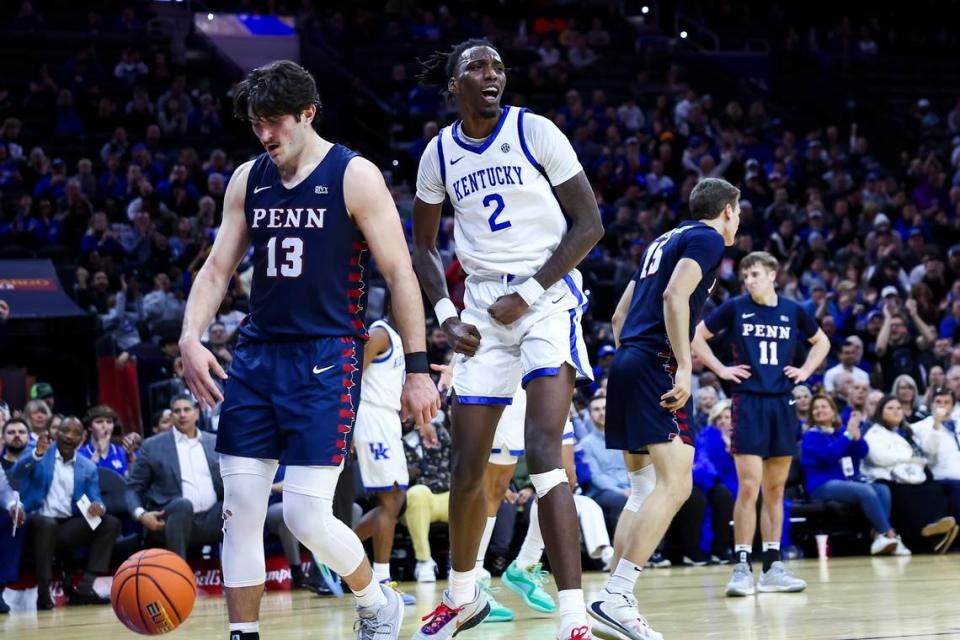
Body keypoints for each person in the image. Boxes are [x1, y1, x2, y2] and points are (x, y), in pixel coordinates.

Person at [177, 60, 439, 640]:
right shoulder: (248, 178)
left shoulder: (355, 175)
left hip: (327, 355)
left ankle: (376, 601)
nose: (266, 134)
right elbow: (219, 266)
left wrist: (417, 371)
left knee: (304, 514)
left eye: (276, 122)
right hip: (258, 352)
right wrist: (190, 336)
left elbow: (399, 274)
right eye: (256, 124)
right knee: (239, 507)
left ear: (308, 114)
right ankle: (243, 635)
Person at [411, 39, 603, 640]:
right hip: (482, 313)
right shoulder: (438, 153)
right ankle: (463, 597)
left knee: (545, 451)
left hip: (546, 300)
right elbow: (421, 246)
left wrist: (532, 291)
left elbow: (590, 224)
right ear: (454, 85)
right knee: (468, 467)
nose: (491, 74)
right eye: (477, 67)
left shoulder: (535, 131)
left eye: (497, 66)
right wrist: (445, 314)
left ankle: (573, 612)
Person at [589, 177, 741, 640]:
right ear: (729, 210)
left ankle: (613, 598)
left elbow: (619, 315)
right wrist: (680, 366)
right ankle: (617, 595)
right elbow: (676, 296)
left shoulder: (663, 239)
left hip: (628, 360)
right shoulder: (708, 237)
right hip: (656, 363)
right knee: (676, 485)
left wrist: (634, 360)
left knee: (642, 489)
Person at [692, 250, 830, 597]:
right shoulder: (736, 307)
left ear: (772, 274)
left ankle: (772, 566)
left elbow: (822, 342)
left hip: (782, 405)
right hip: (748, 403)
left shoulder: (793, 310)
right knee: (749, 487)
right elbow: (696, 336)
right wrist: (721, 370)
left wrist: (805, 373)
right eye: (745, 277)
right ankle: (741, 567)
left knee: (775, 491)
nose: (749, 281)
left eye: (755, 274)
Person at [353, 311, 427, 604]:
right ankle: (382, 579)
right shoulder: (380, 333)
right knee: (388, 498)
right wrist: (346, 426)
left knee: (396, 498)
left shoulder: (398, 339)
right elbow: (353, 374)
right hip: (371, 418)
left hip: (387, 419)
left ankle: (335, 554)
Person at [12, 418, 120, 608]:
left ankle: (86, 587)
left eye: (75, 433)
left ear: (82, 437)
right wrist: (37, 454)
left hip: (66, 525)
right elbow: (16, 473)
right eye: (65, 431)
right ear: (56, 433)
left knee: (109, 523)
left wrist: (98, 507)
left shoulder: (87, 467)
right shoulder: (38, 452)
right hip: (34, 522)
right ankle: (43, 592)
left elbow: (96, 498)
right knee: (47, 524)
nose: (69, 436)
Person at [800, 394, 908, 556]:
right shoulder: (810, 436)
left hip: (846, 482)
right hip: (821, 485)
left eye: (824, 407)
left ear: (833, 411)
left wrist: (857, 438)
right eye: (815, 408)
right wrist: (848, 436)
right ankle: (889, 534)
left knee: (882, 489)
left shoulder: (842, 432)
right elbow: (830, 455)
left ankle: (879, 536)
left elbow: (862, 453)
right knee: (864, 491)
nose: (819, 410)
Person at [126, 394, 224, 559]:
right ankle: (177, 579)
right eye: (177, 411)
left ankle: (243, 577)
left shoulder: (214, 442)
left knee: (236, 505)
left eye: (187, 409)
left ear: (197, 413)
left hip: (211, 520)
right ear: (171, 417)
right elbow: (133, 488)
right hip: (170, 522)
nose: (182, 414)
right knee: (182, 505)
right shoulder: (153, 445)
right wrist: (141, 515)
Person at [861, 395, 958, 553]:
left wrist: (936, 426)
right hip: (888, 478)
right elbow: (877, 457)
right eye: (890, 408)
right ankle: (923, 537)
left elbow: (929, 451)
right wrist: (909, 459)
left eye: (898, 408)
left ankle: (935, 530)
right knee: (909, 493)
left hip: (913, 476)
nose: (896, 411)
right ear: (881, 412)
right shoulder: (874, 433)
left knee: (933, 488)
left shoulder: (907, 431)